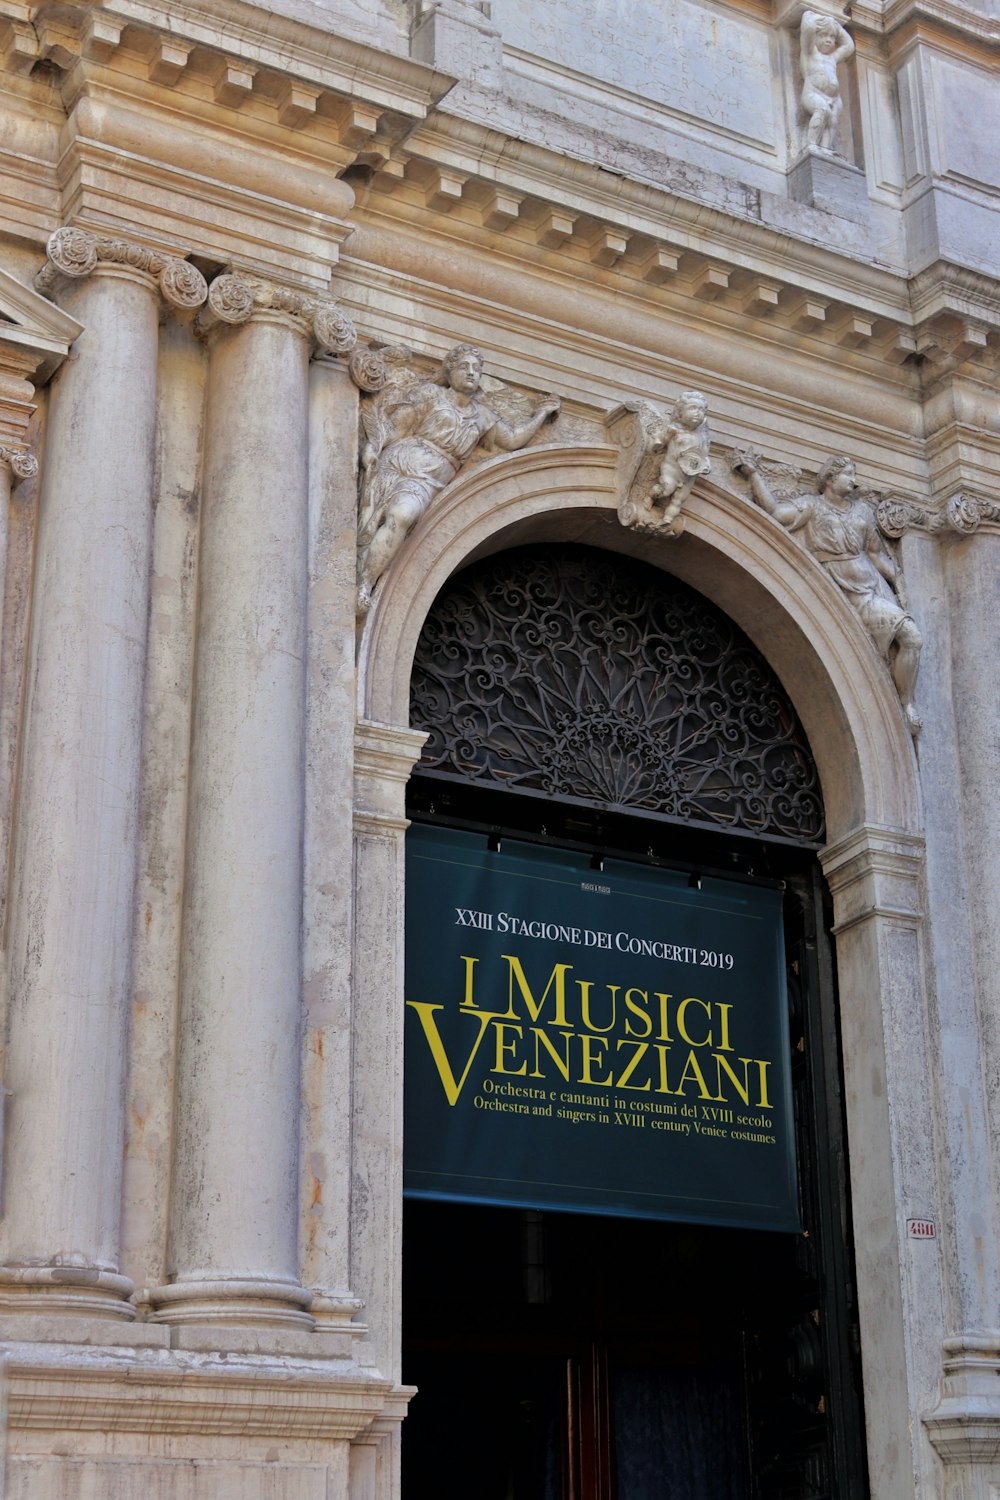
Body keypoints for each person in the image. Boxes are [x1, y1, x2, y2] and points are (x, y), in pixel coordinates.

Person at [357, 344, 559, 612]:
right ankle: (361, 583)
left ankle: (366, 583)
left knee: (403, 515)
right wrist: (374, 446)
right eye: (464, 367)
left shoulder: (483, 415)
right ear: (449, 372)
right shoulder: (431, 394)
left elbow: (511, 440)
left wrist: (542, 414)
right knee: (372, 522)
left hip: (430, 477)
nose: (471, 372)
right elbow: (399, 426)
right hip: (400, 460)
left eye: (477, 369)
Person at [734, 451, 922, 733]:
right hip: (834, 590)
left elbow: (874, 553)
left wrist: (897, 578)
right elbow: (775, 512)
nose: (854, 481)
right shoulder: (812, 506)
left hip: (870, 591)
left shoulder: (863, 512)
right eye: (849, 474)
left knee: (912, 638)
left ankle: (906, 703)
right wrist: (753, 474)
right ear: (830, 478)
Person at [650, 391, 712, 528]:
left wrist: (706, 463)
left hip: (690, 475)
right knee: (665, 489)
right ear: (679, 413)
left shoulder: (701, 436)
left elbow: (704, 452)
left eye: (701, 410)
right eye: (692, 408)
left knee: (679, 500)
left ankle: (667, 520)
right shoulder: (674, 429)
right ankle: (649, 498)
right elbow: (659, 442)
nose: (698, 413)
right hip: (671, 469)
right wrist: (661, 440)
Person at [799, 10, 854, 152]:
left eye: (832, 37)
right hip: (813, 93)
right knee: (822, 110)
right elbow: (809, 28)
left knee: (832, 122)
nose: (829, 40)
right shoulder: (810, 52)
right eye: (823, 35)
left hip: (834, 98)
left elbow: (849, 46)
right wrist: (815, 16)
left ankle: (825, 150)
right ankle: (811, 144)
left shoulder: (833, 58)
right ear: (815, 36)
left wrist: (835, 26)